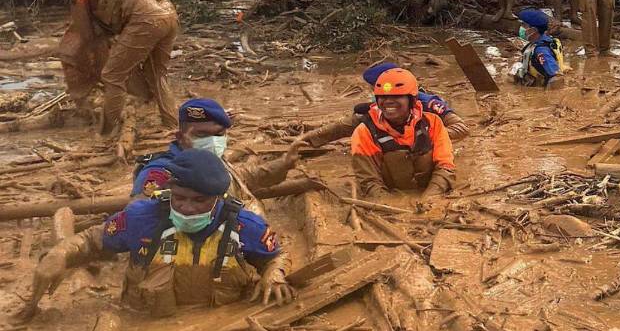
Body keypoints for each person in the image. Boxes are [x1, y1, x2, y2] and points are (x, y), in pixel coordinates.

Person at [19, 149, 292, 320]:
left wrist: (274, 275)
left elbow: (276, 255)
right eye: (180, 198)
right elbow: (92, 240)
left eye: (199, 201)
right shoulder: (140, 218)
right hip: (140, 318)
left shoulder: (245, 226)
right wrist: (60, 253)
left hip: (218, 321)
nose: (187, 208)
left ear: (220, 198)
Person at [34, 0, 180, 135]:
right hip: (165, 9)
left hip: (145, 18)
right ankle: (173, 126)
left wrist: (82, 61)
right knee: (157, 75)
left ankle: (106, 134)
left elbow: (86, 34)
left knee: (112, 76)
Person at [131, 97, 300, 202]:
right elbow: (137, 218)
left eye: (219, 135)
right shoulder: (161, 173)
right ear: (180, 137)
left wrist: (284, 164)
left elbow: (240, 179)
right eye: (201, 135)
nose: (212, 141)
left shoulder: (215, 161)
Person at [297, 62, 469, 150]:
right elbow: (344, 126)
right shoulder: (379, 108)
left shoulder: (429, 103)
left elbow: (462, 128)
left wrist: (426, 135)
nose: (387, 101)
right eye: (380, 94)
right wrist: (305, 140)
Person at [351, 68, 455, 199]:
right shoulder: (364, 132)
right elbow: (369, 181)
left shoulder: (432, 122)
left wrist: (430, 199)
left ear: (412, 99)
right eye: (383, 96)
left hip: (429, 191)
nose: (388, 101)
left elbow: (445, 166)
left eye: (397, 96)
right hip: (389, 193)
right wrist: (394, 208)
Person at [513, 9, 565, 89]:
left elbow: (557, 77)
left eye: (524, 25)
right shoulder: (541, 41)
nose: (521, 28)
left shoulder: (541, 50)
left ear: (533, 30)